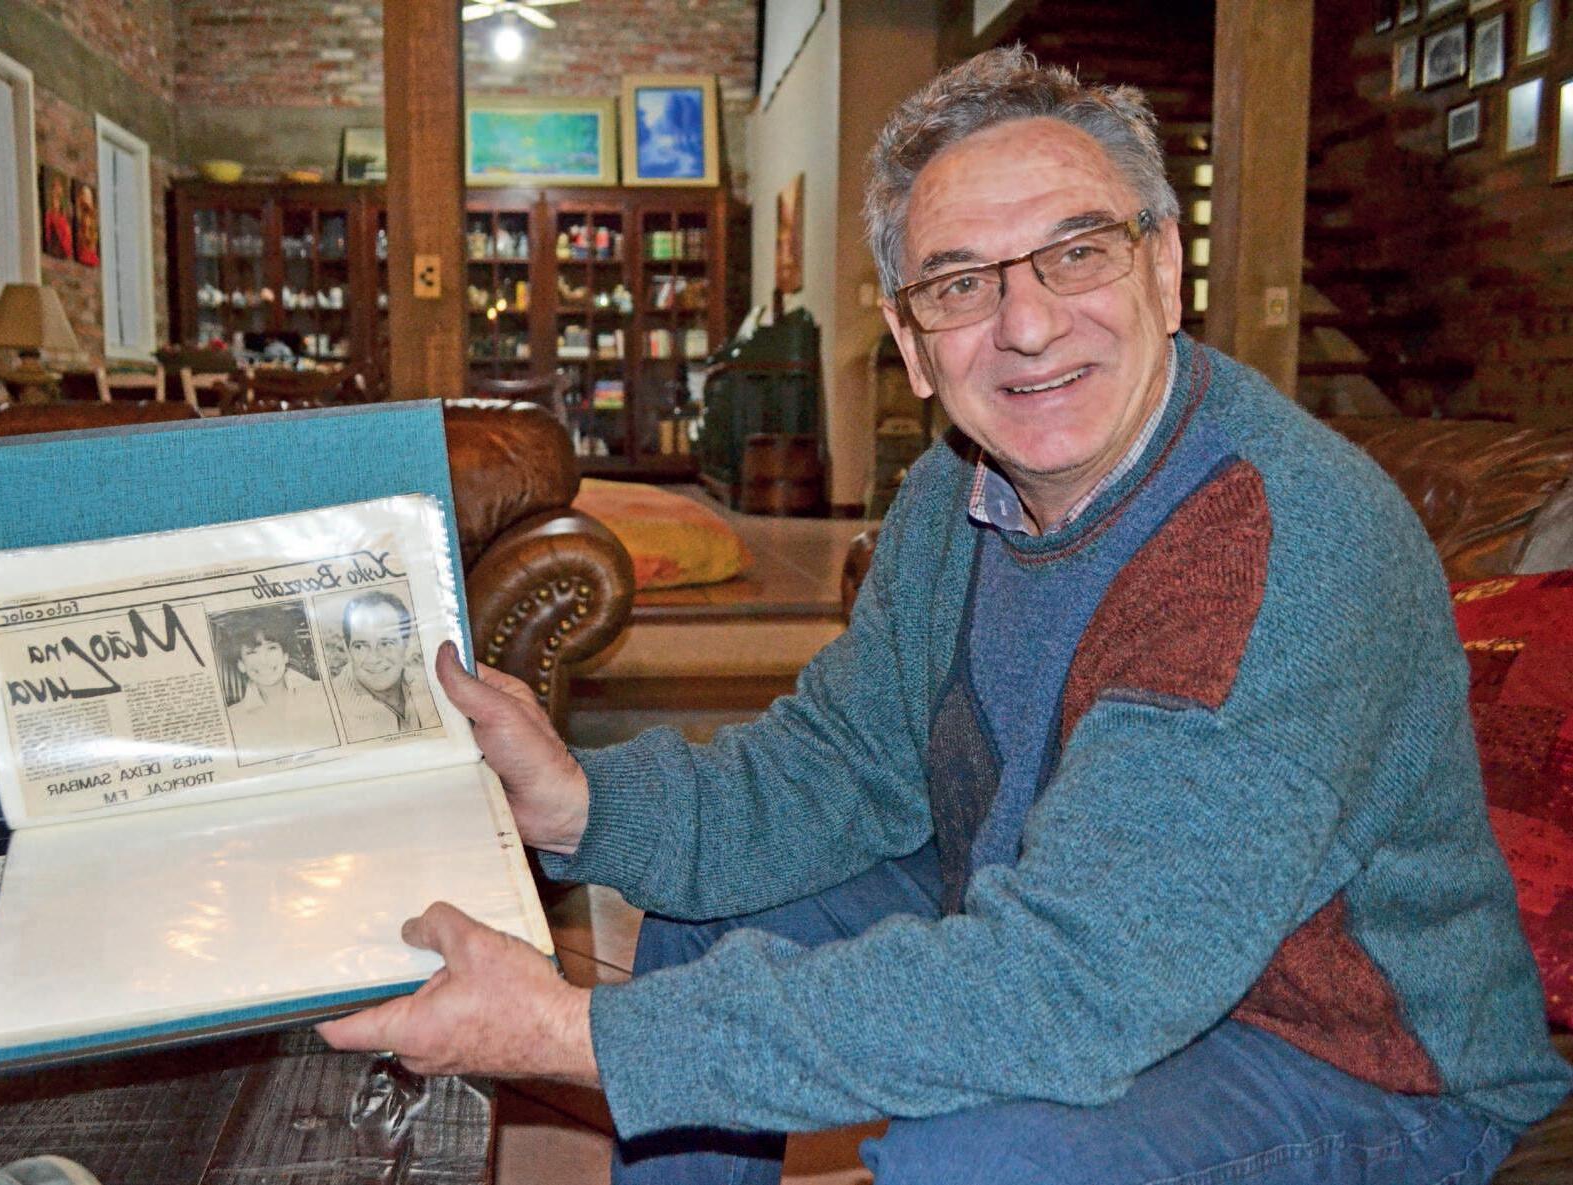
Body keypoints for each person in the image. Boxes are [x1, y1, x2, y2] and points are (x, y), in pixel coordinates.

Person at [320, 48, 1572, 1184]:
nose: (1026, 325)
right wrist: (579, 803)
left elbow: (1080, 984)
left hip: (1348, 1054)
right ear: (914, 344)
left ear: (1163, 271)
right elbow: (842, 766)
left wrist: (572, 1032)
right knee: (716, 909)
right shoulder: (950, 493)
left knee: (980, 1158)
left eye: (1077, 253)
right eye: (961, 284)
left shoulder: (1274, 545)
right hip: (1055, 905)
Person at [224, 620, 337, 761]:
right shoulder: (233, 719)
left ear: (285, 656)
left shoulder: (323, 694)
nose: (264, 660)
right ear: (241, 665)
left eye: (271, 648)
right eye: (252, 652)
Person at [330, 590, 435, 740]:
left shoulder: (426, 685)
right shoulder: (330, 709)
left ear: (406, 644)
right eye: (360, 646)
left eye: (386, 643)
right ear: (348, 650)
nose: (374, 658)